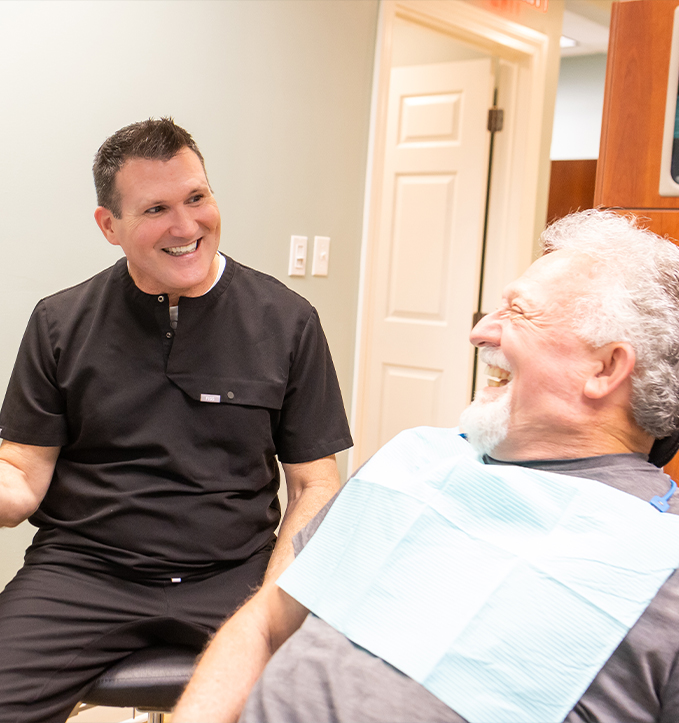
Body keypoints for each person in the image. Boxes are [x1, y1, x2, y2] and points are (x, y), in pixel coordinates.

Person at [174, 208, 679, 723]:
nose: (481, 332)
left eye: (519, 312)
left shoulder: (662, 566)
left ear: (606, 367)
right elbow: (266, 624)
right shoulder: (414, 459)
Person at [0, 118, 352, 723]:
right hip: (84, 572)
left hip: (231, 573)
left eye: (197, 198)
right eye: (157, 208)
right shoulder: (59, 323)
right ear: (109, 226)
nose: (187, 226)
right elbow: (20, 478)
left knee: (312, 702)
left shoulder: (287, 320)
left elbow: (314, 483)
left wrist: (276, 596)